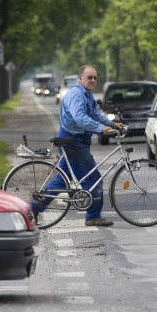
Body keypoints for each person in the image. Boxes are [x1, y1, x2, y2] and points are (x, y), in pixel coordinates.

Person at [35, 65, 124, 227]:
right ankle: (93, 216)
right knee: (94, 179)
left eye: (95, 78)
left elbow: (95, 113)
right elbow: (80, 118)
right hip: (73, 141)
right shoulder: (77, 95)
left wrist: (111, 123)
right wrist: (100, 129)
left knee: (62, 180)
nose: (93, 80)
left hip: (76, 139)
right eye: (89, 77)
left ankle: (32, 210)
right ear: (80, 77)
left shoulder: (87, 94)